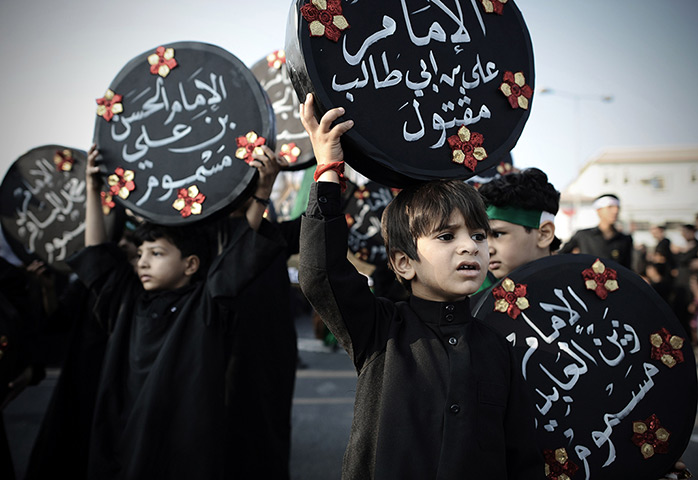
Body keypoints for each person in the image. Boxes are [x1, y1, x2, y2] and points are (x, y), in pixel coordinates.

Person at [298, 93, 544, 479]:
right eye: (446, 237)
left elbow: (521, 460)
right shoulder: (380, 330)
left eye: (479, 236)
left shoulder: (498, 349)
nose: (470, 246)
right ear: (403, 262)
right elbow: (320, 273)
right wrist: (328, 168)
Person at [67, 143, 289, 479]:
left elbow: (238, 254)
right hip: (126, 442)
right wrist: (93, 189)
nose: (142, 261)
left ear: (190, 264)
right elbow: (97, 253)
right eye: (140, 252)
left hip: (186, 451)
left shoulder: (206, 304)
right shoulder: (126, 300)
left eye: (156, 253)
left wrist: (261, 192)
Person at [477, 168, 560, 283]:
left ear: (544, 234)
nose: (487, 250)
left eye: (497, 234)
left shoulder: (587, 287)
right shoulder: (478, 295)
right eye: (480, 237)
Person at [559, 193, 634, 269]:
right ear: (599, 210)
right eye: (610, 207)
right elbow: (561, 257)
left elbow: (628, 269)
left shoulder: (625, 239)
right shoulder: (583, 236)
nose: (615, 211)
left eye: (617, 207)